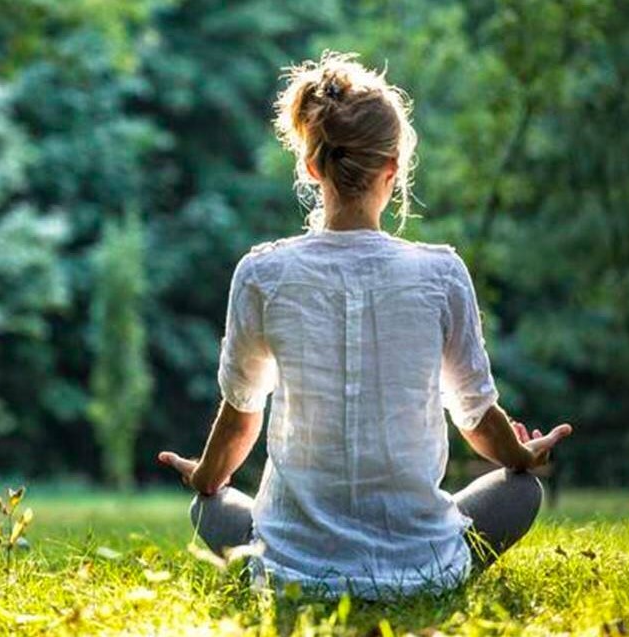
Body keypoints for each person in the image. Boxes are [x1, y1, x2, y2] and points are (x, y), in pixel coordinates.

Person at [158, 50, 573, 600]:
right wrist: (522, 456)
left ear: (311, 166)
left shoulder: (262, 273)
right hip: (422, 567)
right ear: (392, 170)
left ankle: (288, 559)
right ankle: (424, 573)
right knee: (521, 493)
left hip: (290, 573)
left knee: (207, 506)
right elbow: (475, 416)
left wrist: (206, 477)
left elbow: (240, 417)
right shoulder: (441, 273)